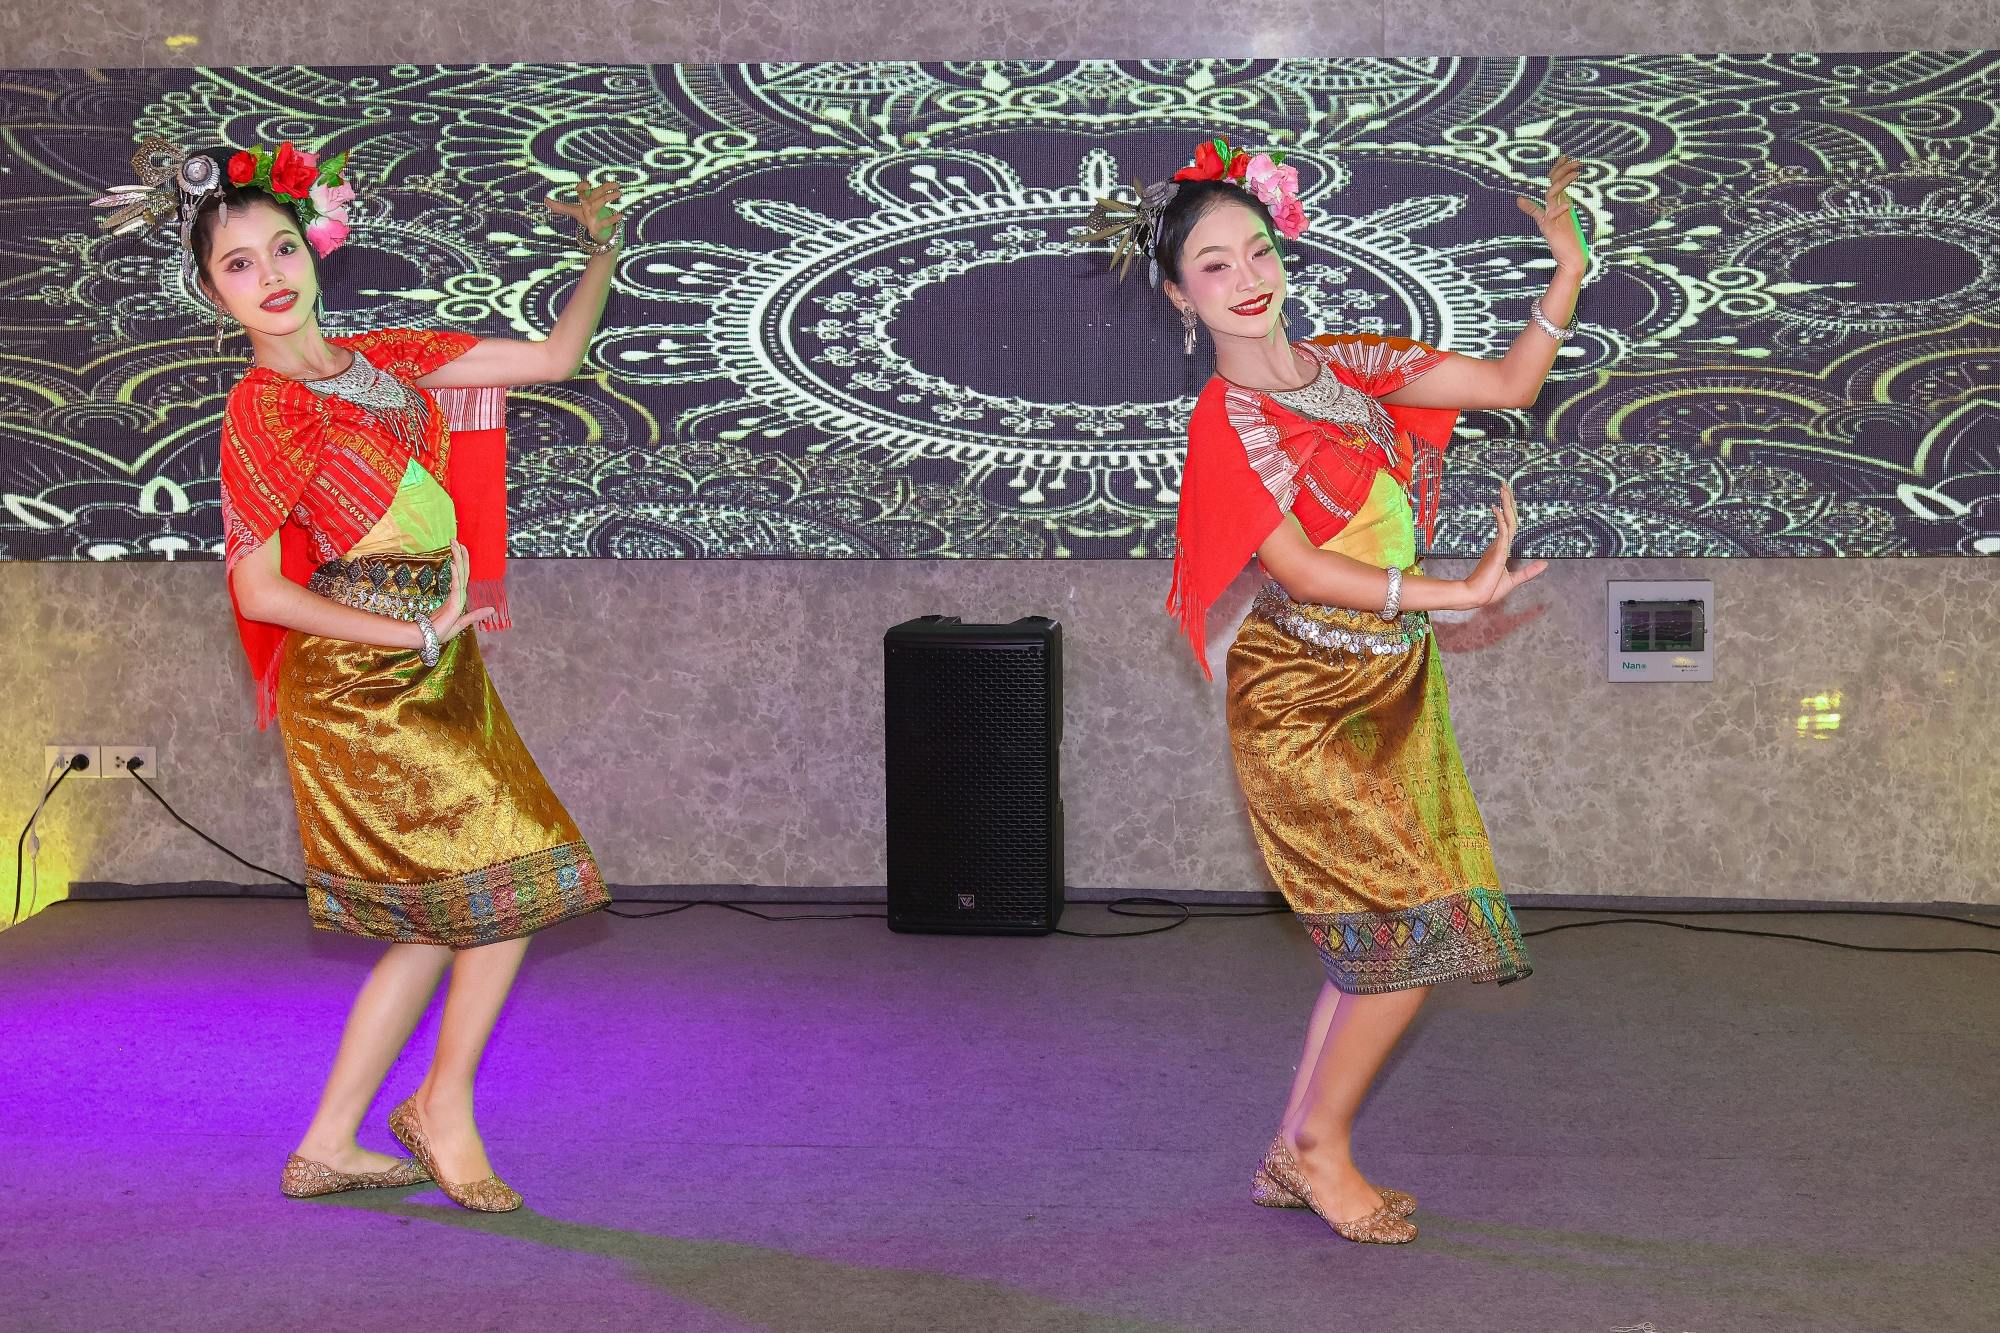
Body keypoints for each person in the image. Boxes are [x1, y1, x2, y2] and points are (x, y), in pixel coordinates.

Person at [95, 136, 627, 1212]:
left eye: (279, 248)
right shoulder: (262, 411)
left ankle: (331, 1139)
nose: (269, 276)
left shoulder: (381, 355)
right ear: (210, 291)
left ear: (313, 250)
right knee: (517, 877)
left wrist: (604, 248)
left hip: (437, 658)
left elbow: (551, 361)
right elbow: (260, 593)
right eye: (238, 264)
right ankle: (442, 1105)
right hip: (361, 677)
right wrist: (412, 635)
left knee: (446, 915)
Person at [1087, 136, 1588, 1243]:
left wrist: (1564, 271)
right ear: (1178, 295)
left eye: (1256, 249)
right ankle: (1321, 1147)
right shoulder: (1224, 425)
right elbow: (1303, 570)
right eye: (1214, 264)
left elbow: (1509, 384)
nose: (1247, 277)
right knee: (1405, 935)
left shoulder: (1350, 363)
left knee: (1369, 940)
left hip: (1387, 681)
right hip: (1296, 702)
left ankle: (1289, 1148)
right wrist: (1452, 593)